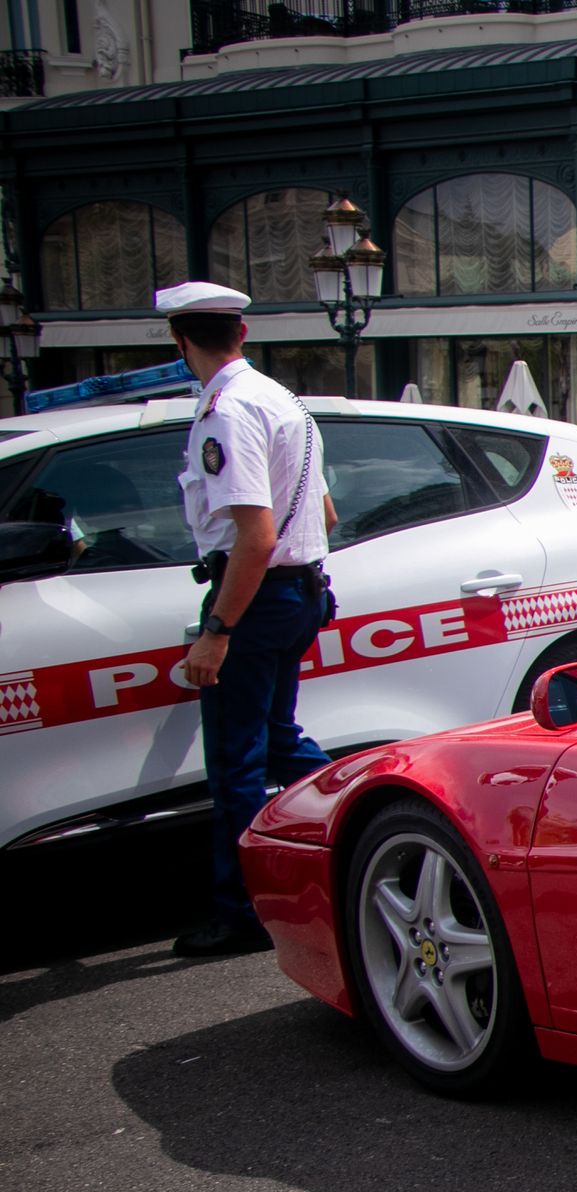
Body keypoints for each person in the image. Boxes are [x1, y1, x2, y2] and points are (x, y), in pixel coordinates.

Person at [159, 281, 339, 957]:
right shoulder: (283, 400)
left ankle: (240, 913)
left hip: (256, 598)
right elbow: (324, 515)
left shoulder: (226, 413)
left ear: (183, 344)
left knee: (236, 761)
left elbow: (255, 537)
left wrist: (218, 631)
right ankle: (349, 824)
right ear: (240, 334)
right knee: (278, 738)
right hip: (299, 593)